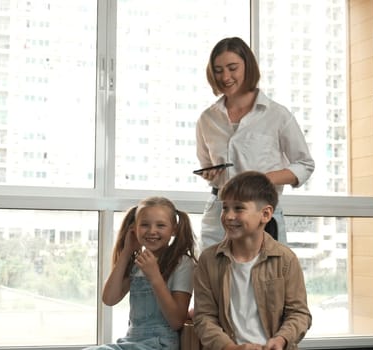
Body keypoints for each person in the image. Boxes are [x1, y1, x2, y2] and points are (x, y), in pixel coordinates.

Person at [195, 36, 315, 249]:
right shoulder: (207, 119)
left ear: (248, 68)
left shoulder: (277, 115)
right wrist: (210, 173)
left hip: (261, 212)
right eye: (218, 70)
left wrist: (264, 179)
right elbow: (207, 165)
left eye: (233, 68)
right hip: (219, 212)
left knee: (265, 279)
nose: (225, 76)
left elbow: (304, 165)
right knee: (212, 279)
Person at [193, 171, 311, 350]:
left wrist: (281, 339)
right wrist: (231, 348)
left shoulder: (286, 259)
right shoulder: (208, 260)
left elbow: (299, 313)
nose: (229, 216)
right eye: (225, 208)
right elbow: (204, 317)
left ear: (265, 214)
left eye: (239, 208)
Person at [85, 197, 197, 350]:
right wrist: (126, 252)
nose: (152, 231)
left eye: (161, 225)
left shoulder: (183, 263)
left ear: (174, 229)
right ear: (134, 228)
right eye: (144, 225)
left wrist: (155, 277)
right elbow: (109, 299)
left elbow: (176, 321)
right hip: (132, 341)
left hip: (161, 344)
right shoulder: (137, 263)